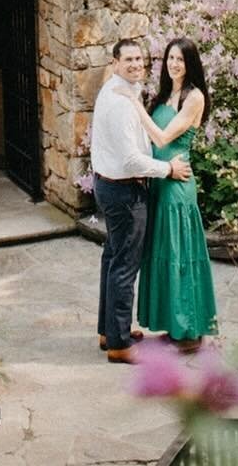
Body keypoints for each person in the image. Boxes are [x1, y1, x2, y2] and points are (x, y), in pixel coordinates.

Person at [90, 38, 193, 363]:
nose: (136, 64)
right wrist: (168, 169)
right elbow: (132, 159)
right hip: (124, 190)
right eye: (128, 60)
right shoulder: (119, 102)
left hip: (109, 185)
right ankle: (119, 344)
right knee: (124, 264)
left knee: (112, 257)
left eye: (140, 59)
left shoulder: (118, 91)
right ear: (115, 63)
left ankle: (109, 331)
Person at [136, 36, 218, 347]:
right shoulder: (164, 95)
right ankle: (170, 325)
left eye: (180, 60)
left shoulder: (193, 97)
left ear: (190, 64)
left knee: (179, 255)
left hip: (177, 187)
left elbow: (161, 138)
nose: (174, 64)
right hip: (159, 183)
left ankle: (188, 330)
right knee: (162, 253)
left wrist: (133, 103)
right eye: (170, 58)